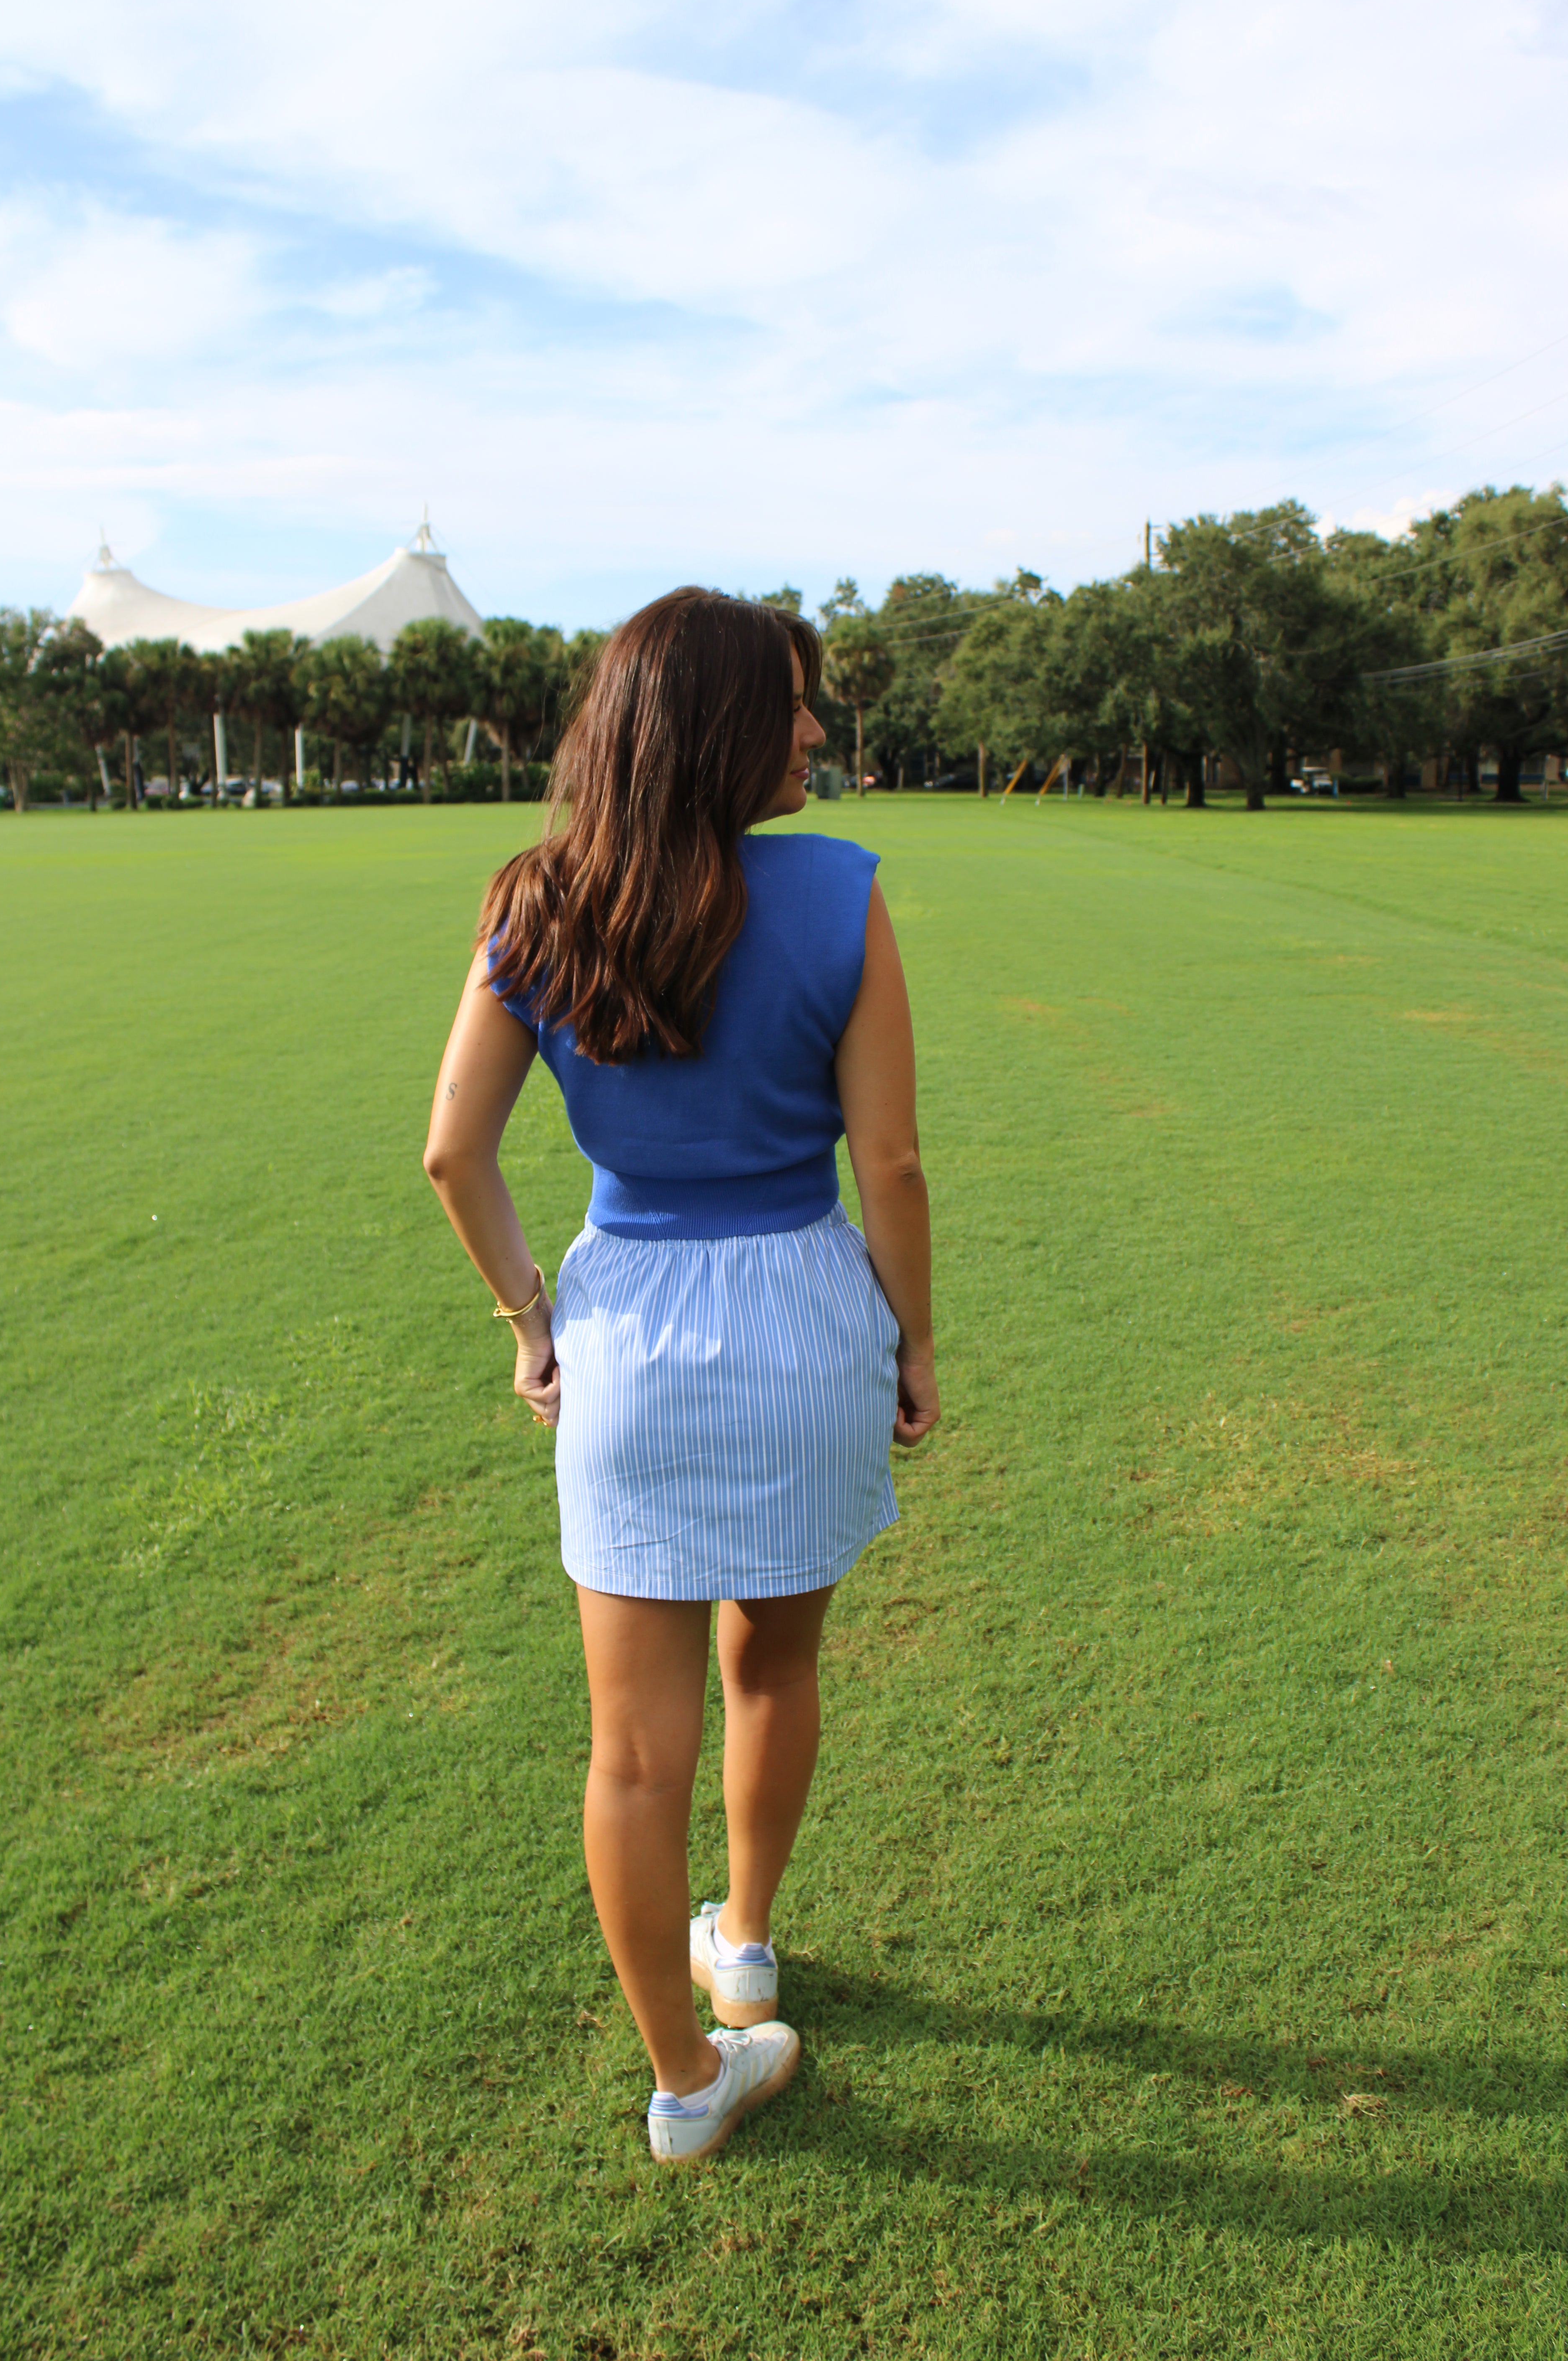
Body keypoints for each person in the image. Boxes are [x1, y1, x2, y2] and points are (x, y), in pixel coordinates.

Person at [422, 587, 938, 2163]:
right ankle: (750, 1943)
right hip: (803, 1314)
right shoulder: (839, 891)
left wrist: (531, 1325)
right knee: (773, 1667)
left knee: (633, 1751)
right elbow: (891, 1165)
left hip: (628, 1334)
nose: (813, 728)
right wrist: (915, 1340)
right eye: (790, 701)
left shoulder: (538, 902)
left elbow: (453, 1155)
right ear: (715, 726)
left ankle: (684, 2081)